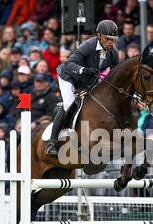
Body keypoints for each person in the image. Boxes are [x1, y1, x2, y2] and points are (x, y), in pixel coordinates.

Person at [46, 20, 120, 158]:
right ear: (99, 35)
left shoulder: (113, 53)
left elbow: (116, 74)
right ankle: (52, 141)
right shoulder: (88, 45)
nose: (110, 43)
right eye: (107, 39)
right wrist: (83, 70)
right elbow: (69, 64)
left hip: (87, 82)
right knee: (69, 104)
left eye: (113, 40)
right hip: (69, 77)